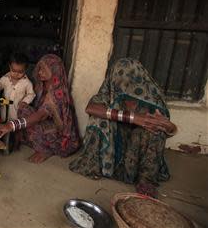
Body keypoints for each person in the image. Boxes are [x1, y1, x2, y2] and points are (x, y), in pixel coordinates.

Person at [69, 58, 177, 198]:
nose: (122, 83)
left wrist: (168, 126)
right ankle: (97, 166)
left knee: (153, 129)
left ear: (137, 78)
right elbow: (91, 108)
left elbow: (169, 129)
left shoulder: (151, 99)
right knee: (98, 120)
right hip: (114, 149)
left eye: (127, 79)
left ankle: (146, 180)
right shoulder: (110, 93)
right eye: (118, 78)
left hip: (137, 152)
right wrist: (133, 118)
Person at [0, 54, 80, 163]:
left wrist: (12, 125)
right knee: (23, 109)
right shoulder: (41, 86)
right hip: (43, 121)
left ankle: (46, 149)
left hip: (58, 132)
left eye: (44, 70)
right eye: (39, 69)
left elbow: (40, 116)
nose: (39, 72)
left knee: (24, 111)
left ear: (54, 71)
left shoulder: (57, 94)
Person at [0, 53, 36, 149]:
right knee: (2, 122)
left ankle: (17, 142)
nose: (16, 74)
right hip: (4, 108)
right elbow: (0, 85)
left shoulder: (27, 83)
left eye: (20, 72)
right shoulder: (5, 78)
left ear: (25, 70)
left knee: (16, 127)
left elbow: (31, 94)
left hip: (17, 109)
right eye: (13, 70)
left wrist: (25, 101)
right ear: (9, 67)